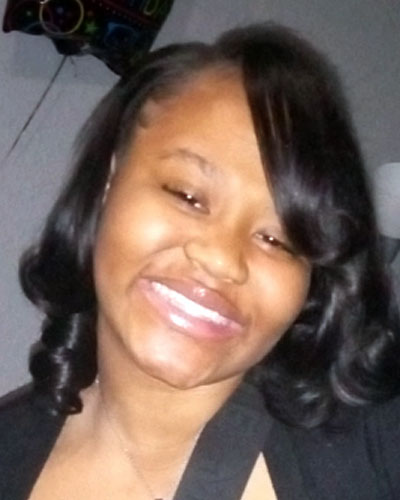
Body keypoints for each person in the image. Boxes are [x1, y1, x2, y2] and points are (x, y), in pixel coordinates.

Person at [0, 23, 399, 500]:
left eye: (278, 239)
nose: (223, 259)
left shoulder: (373, 448)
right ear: (110, 181)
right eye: (188, 195)